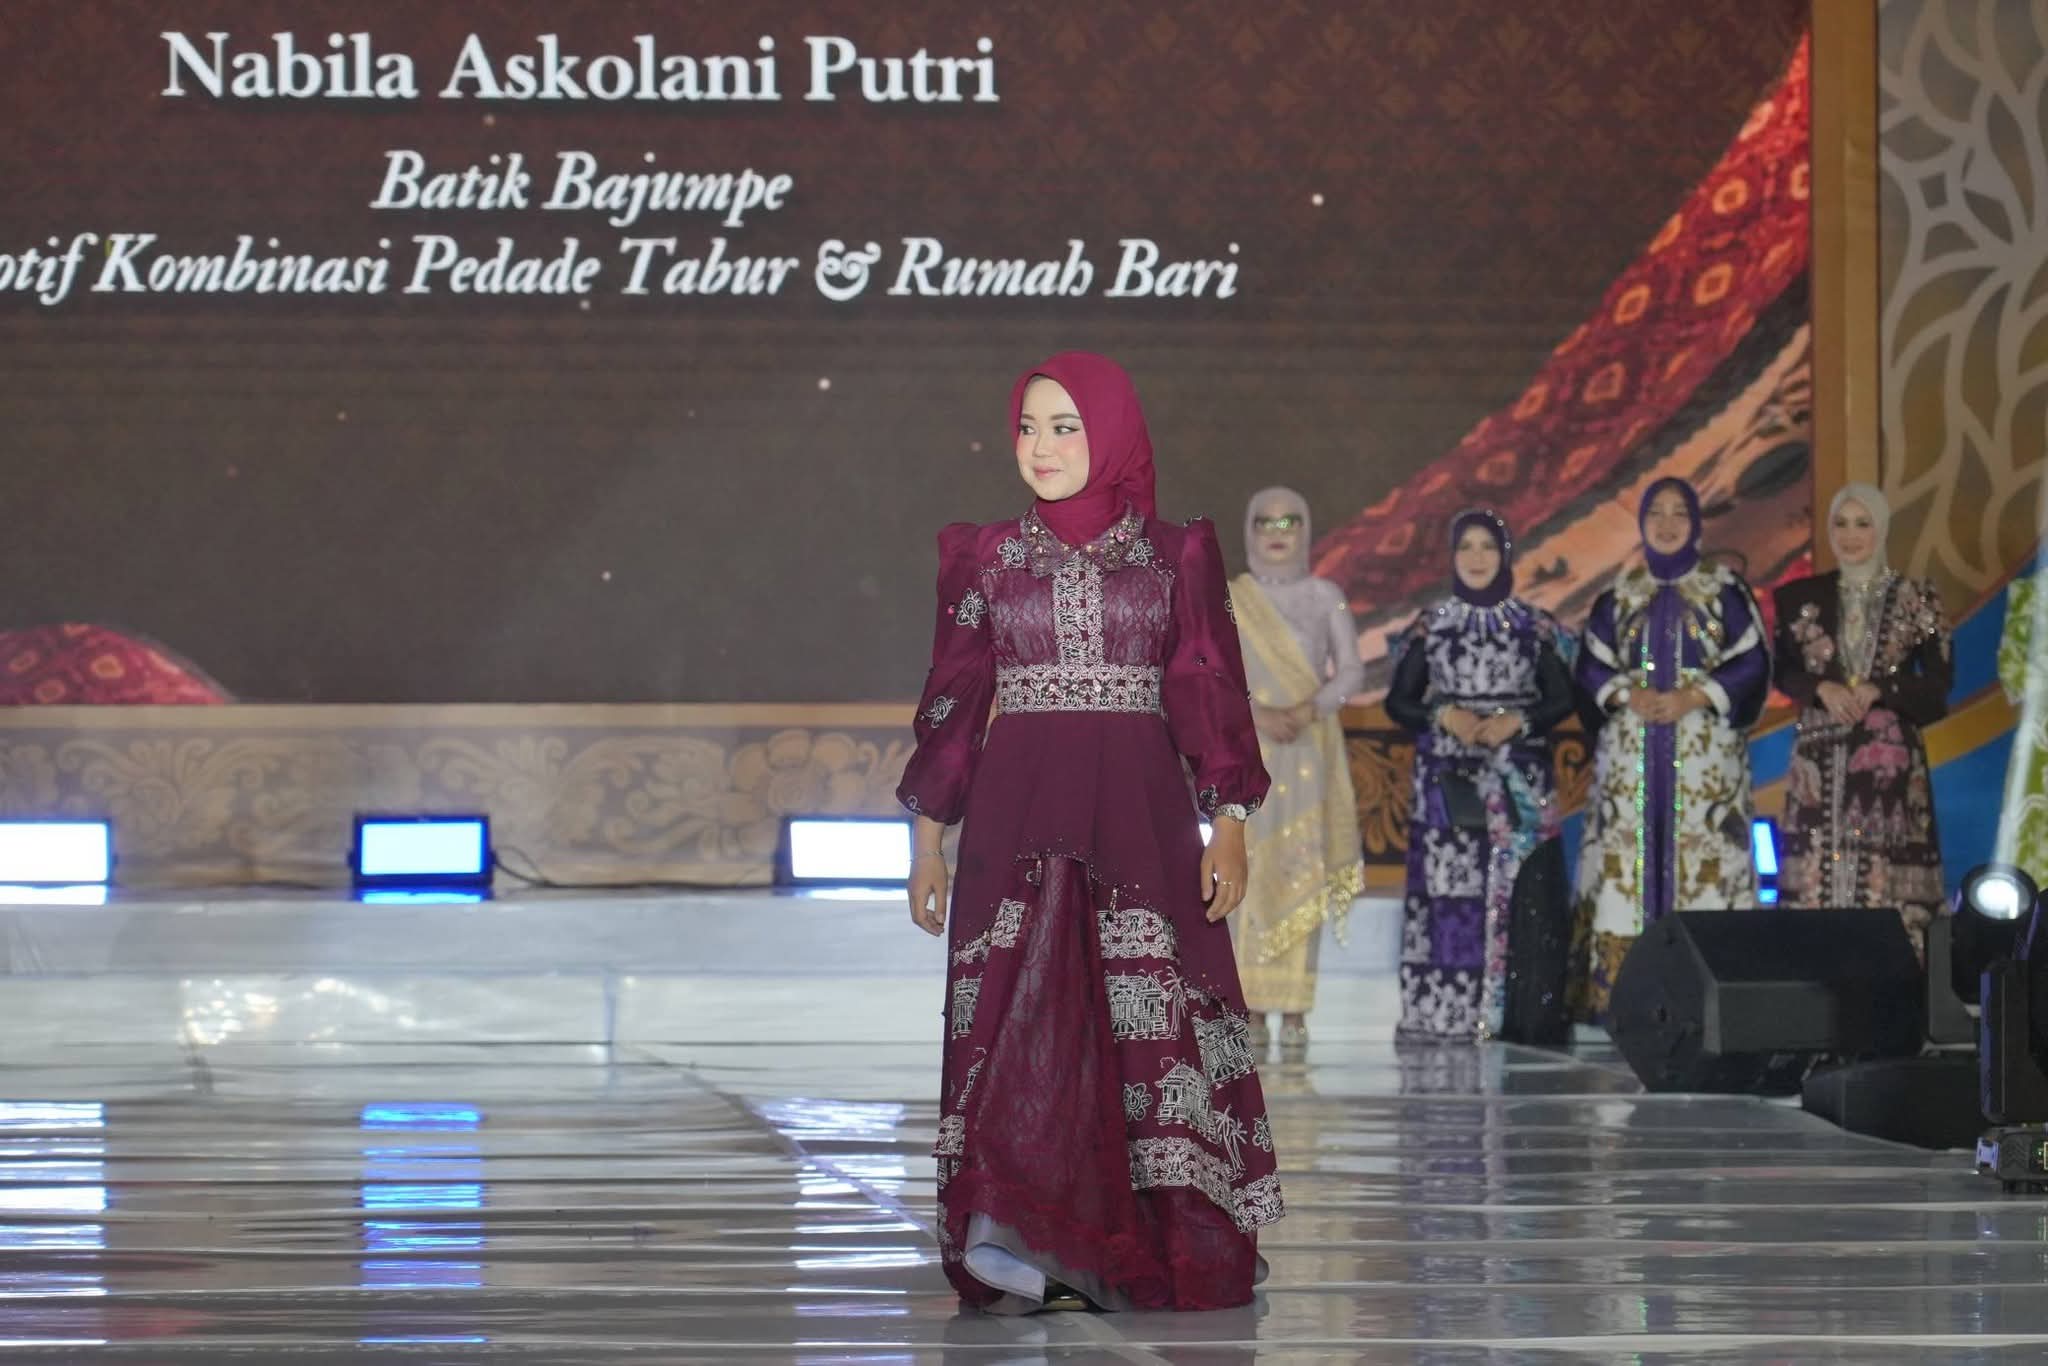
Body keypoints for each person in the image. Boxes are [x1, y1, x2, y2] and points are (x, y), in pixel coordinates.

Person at [898, 352, 1282, 1314]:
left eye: (1066, 426)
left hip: (1138, 813)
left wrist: (1229, 822)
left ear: (1110, 432)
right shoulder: (987, 556)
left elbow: (1208, 690)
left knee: (1143, 1015)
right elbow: (954, 702)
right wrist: (927, 844)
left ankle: (1147, 1235)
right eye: (1028, 426)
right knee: (1019, 1010)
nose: (1042, 447)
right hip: (1017, 813)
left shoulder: (1174, 554)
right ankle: (1015, 1238)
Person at [1569, 478, 1771, 1022]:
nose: (1666, 524)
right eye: (1655, 513)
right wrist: (1627, 694)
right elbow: (1590, 665)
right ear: (1641, 523)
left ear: (1696, 523)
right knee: (1625, 867)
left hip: (1703, 758)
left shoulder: (1722, 590)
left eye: (1678, 512)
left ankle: (1707, 997)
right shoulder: (1621, 593)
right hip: (1631, 754)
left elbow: (1752, 660)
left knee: (1705, 865)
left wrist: (1694, 696)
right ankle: (1624, 998)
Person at [1384, 510, 1574, 1040]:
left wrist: (1518, 720)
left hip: (1520, 783)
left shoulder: (1533, 626)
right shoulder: (1433, 625)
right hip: (1447, 782)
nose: (1476, 557)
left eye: (1487, 546)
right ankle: (1445, 1015)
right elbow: (1399, 702)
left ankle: (1517, 1017)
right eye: (1465, 546)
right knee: (1449, 894)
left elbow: (1563, 698)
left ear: (1505, 554)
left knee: (1523, 889)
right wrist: (1446, 715)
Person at [1775, 484, 1952, 954]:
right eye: (1841, 524)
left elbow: (1938, 685)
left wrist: (1882, 690)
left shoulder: (1916, 598)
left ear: (1882, 529)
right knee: (1816, 876)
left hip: (1888, 766)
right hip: (1818, 759)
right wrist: (1822, 689)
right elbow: (1782, 671)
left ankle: (1895, 984)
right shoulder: (1798, 599)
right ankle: (1813, 985)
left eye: (1862, 524)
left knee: (1886, 879)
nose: (1850, 535)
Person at [1227, 487, 1366, 1057]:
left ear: (1305, 530)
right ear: (1250, 530)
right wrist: (1258, 713)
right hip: (1249, 748)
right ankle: (1250, 1006)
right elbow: (1212, 674)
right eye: (1266, 522)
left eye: (1289, 522)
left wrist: (1309, 709)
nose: (1277, 533)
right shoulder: (1231, 598)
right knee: (1248, 869)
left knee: (1303, 868)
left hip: (1308, 748)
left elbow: (1352, 670)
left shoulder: (1324, 596)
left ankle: (1295, 1008)